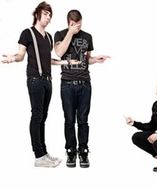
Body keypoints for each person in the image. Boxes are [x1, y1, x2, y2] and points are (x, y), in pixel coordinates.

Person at [1, 1, 62, 167]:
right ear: (37, 14)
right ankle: (38, 156)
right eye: (46, 14)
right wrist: (12, 58)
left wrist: (65, 62)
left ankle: (43, 152)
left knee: (43, 117)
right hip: (35, 80)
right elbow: (21, 55)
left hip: (48, 82)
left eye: (50, 15)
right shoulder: (27, 33)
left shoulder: (49, 37)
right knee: (37, 116)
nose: (48, 17)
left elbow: (48, 61)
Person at [54, 9, 110, 168]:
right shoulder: (60, 34)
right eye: (74, 25)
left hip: (85, 84)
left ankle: (83, 150)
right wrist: (70, 33)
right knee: (69, 120)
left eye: (79, 24)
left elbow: (87, 59)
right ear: (68, 22)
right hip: (67, 84)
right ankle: (71, 151)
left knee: (83, 120)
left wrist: (95, 60)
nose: (77, 27)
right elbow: (59, 52)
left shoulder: (87, 36)